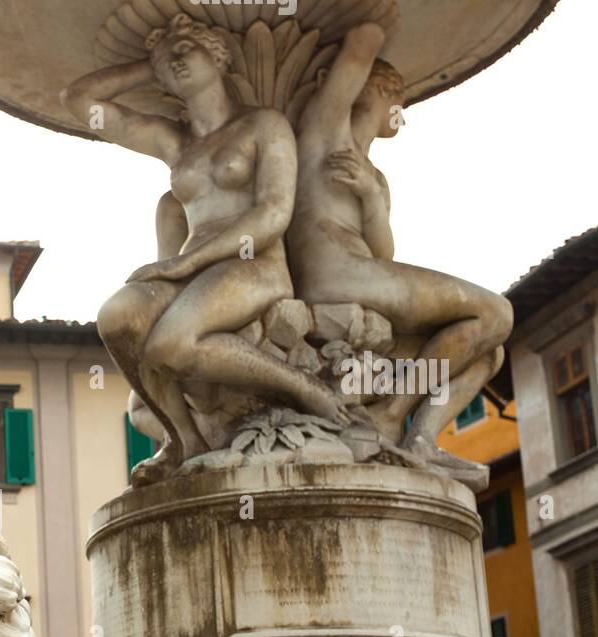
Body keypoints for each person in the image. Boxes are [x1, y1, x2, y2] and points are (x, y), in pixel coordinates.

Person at [62, 12, 352, 473]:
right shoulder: (175, 144)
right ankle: (185, 441)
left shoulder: (264, 124)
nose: (174, 60)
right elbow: (79, 99)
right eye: (166, 57)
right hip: (194, 274)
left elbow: (275, 214)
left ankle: (301, 386)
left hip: (254, 265)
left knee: (169, 346)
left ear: (218, 56)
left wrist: (183, 263)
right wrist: (148, 64)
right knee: (117, 316)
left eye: (185, 50)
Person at [287, 21, 511, 463]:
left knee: (488, 350)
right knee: (495, 311)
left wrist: (370, 196)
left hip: (367, 276)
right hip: (335, 277)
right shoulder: (322, 131)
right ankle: (391, 414)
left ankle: (421, 438)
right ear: (366, 88)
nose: (401, 111)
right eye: (396, 95)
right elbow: (361, 40)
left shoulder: (377, 178)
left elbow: (383, 253)